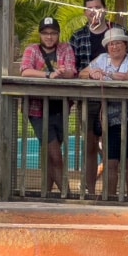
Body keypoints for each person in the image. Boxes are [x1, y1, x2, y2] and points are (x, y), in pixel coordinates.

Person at [70, 0, 128, 191]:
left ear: (105, 9)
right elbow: (76, 69)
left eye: (97, 7)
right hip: (89, 99)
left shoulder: (120, 30)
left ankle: (118, 191)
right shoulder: (78, 36)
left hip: (121, 103)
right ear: (85, 12)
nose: (94, 11)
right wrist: (90, 74)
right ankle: (89, 189)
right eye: (90, 8)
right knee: (90, 144)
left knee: (115, 149)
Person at [20, 16, 76, 195]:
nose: (49, 37)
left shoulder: (66, 48)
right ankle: (67, 195)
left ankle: (47, 194)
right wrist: (47, 75)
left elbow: (71, 71)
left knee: (51, 155)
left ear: (58, 34)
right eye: (45, 33)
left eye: (53, 33)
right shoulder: (32, 50)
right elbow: (25, 71)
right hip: (37, 109)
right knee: (55, 155)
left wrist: (62, 72)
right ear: (40, 35)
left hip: (60, 109)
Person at [81, 28, 128, 197]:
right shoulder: (101, 59)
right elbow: (82, 73)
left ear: (126, 45)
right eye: (111, 44)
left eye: (118, 43)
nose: (114, 47)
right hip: (109, 117)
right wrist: (92, 73)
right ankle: (110, 197)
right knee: (111, 161)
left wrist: (123, 77)